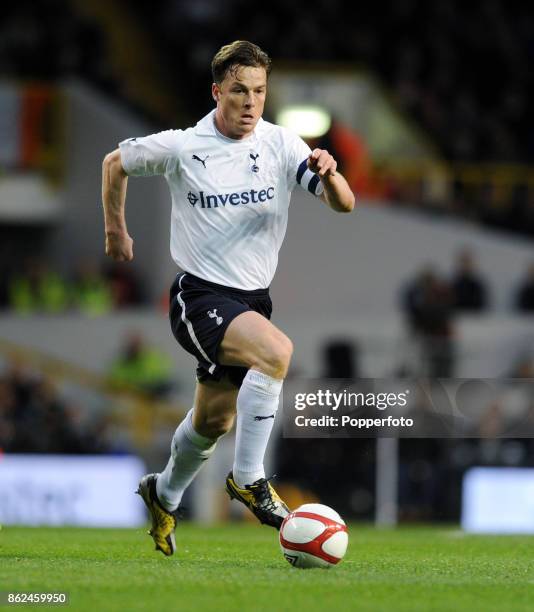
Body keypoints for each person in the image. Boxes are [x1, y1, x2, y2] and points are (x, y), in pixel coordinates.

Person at [101, 40, 354, 556]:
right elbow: (113, 163)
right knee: (277, 353)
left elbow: (344, 205)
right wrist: (115, 232)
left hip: (252, 301)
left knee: (214, 422)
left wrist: (330, 173)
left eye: (259, 91)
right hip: (198, 297)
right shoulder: (183, 146)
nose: (250, 102)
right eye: (239, 90)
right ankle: (250, 479)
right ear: (218, 91)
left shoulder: (280, 143)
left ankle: (162, 493)